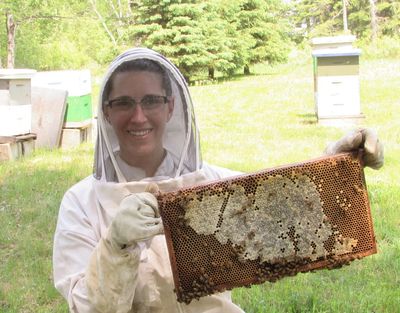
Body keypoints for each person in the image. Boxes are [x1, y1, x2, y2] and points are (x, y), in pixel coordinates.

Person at [53, 48, 384, 313]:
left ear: (171, 107)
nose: (138, 116)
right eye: (124, 102)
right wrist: (115, 244)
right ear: (107, 113)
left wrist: (336, 165)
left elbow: (291, 219)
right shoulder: (80, 203)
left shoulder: (210, 184)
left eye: (151, 100)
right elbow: (86, 307)